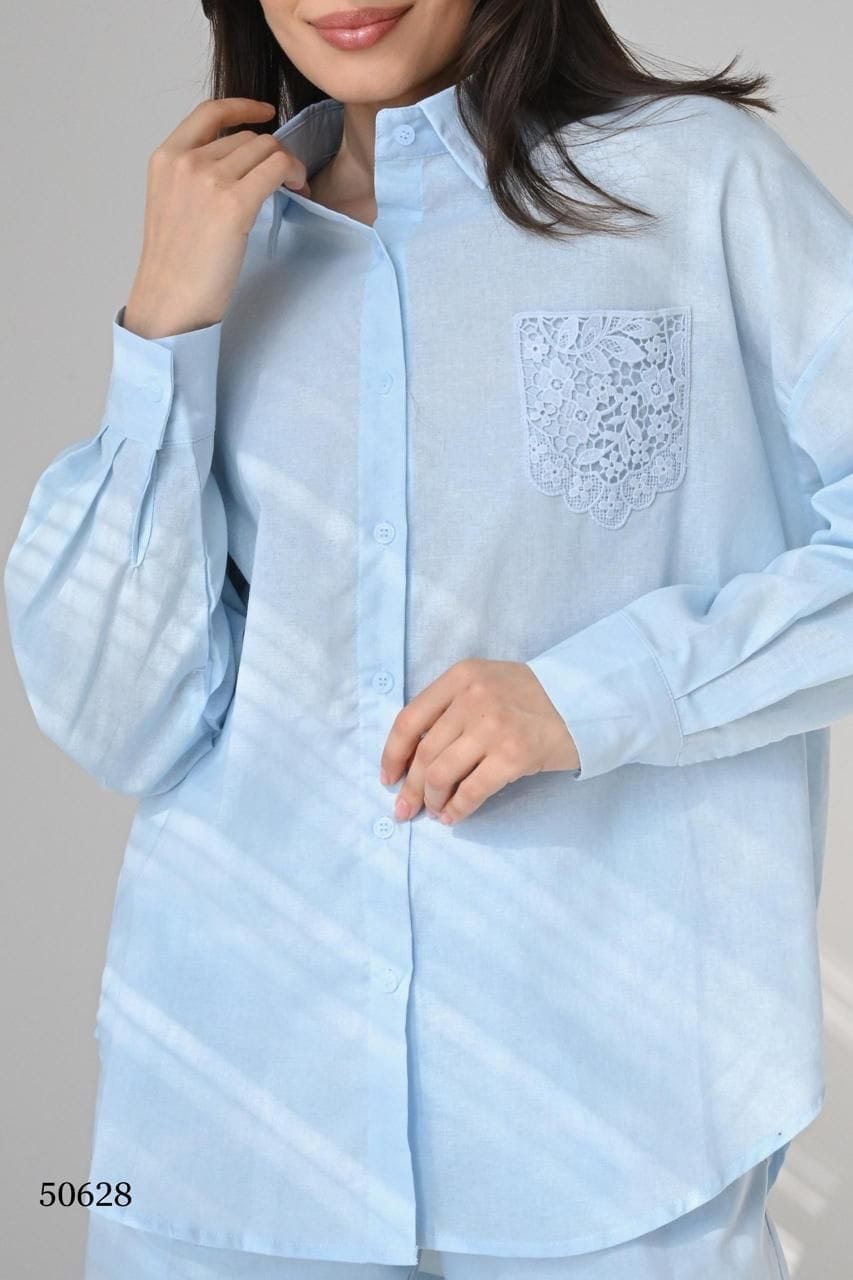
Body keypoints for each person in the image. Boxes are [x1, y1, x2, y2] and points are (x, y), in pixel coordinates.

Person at [5, 0, 851, 1276]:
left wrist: (597, 692)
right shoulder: (232, 247)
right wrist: (163, 327)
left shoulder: (693, 183)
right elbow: (119, 720)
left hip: (612, 1152)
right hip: (228, 1149)